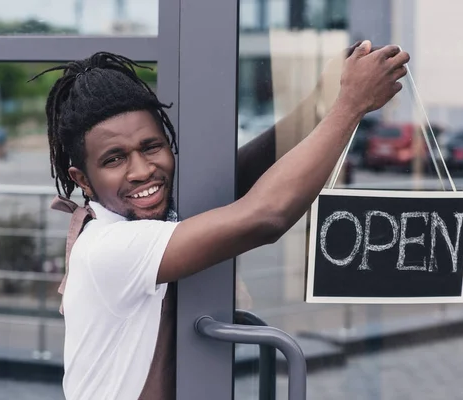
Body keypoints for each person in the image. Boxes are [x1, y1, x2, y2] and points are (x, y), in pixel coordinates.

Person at [31, 40, 409, 399]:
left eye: (152, 147)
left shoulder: (139, 218)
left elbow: (242, 174)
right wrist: (349, 107)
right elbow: (266, 215)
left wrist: (321, 102)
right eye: (114, 159)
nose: (142, 171)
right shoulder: (108, 248)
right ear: (82, 180)